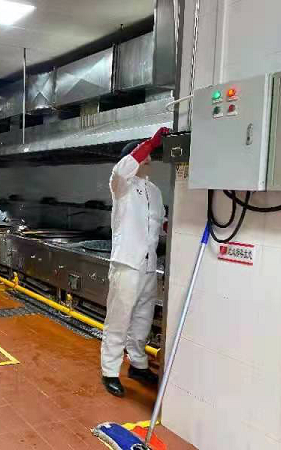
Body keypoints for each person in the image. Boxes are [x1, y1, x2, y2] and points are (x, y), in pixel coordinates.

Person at [101, 127, 170, 398]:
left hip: (148, 265)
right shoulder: (121, 186)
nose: (148, 159)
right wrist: (151, 142)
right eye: (143, 155)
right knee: (118, 320)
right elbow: (122, 169)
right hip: (127, 263)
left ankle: (138, 365)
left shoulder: (155, 191)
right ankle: (110, 371)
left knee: (143, 318)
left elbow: (160, 224)